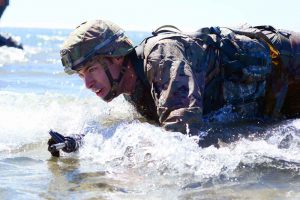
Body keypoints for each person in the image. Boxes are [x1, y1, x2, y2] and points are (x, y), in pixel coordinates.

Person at [48, 19, 300, 156]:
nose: (88, 84)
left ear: (116, 58)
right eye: (81, 75)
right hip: (276, 94)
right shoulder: (130, 84)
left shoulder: (163, 58)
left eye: (91, 70)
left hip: (291, 66)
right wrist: (82, 143)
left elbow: (182, 141)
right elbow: (140, 129)